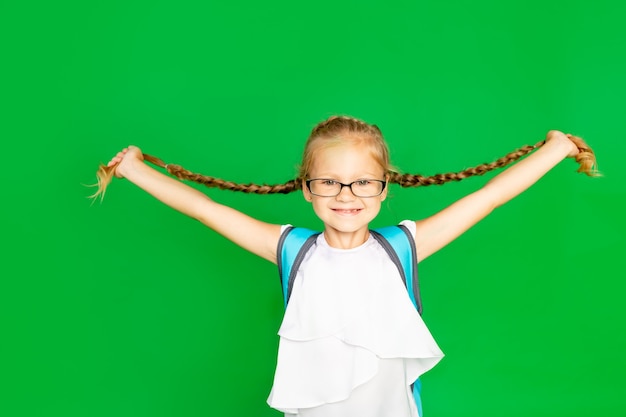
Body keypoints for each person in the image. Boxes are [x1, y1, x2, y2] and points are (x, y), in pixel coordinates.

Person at [94, 115, 598, 417]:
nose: (347, 196)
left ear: (384, 188)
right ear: (308, 187)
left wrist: (556, 149)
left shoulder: (403, 247)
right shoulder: (292, 250)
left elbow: (489, 198)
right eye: (330, 182)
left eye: (362, 182)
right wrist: (134, 169)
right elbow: (206, 209)